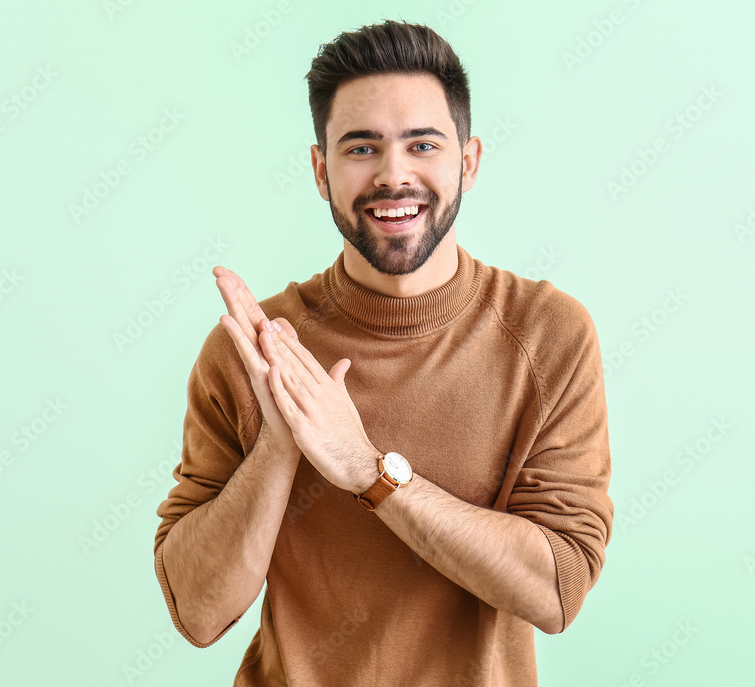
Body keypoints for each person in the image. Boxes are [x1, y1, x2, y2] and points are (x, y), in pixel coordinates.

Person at [153, 19, 613, 686]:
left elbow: (556, 589)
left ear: (469, 160)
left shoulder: (548, 335)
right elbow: (197, 612)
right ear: (321, 171)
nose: (394, 176)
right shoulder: (257, 348)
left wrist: (368, 469)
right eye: (361, 147)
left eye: (422, 144)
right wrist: (280, 443)